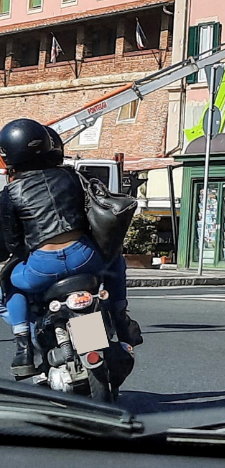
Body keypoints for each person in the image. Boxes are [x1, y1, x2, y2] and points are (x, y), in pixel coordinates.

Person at [0, 119, 141, 378]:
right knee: (116, 259)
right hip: (85, 258)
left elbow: (11, 241)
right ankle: (121, 317)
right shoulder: (72, 176)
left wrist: (24, 254)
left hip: (42, 266)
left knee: (10, 281)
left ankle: (23, 347)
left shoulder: (10, 193)